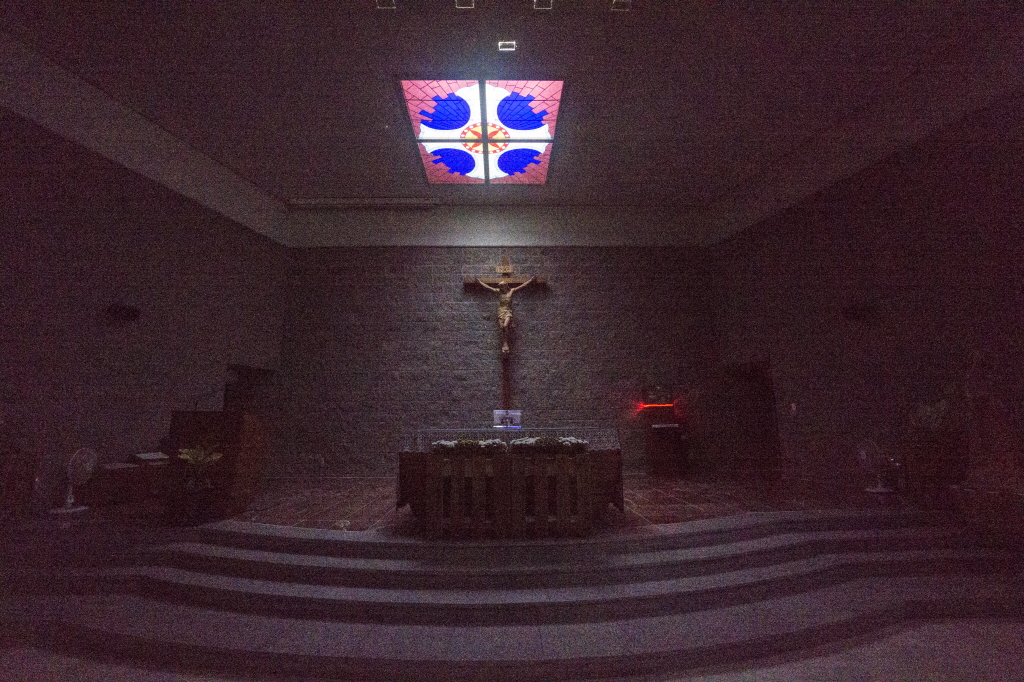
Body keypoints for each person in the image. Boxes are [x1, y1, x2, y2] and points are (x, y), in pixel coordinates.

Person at [476, 276, 535, 354]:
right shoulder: (499, 292)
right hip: (501, 311)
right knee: (502, 328)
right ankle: (505, 343)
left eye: (502, 286)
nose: (500, 288)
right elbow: (488, 287)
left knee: (505, 325)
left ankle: (505, 343)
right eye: (500, 287)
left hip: (508, 312)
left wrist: (530, 280)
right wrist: (480, 282)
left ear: (505, 286)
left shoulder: (511, 291)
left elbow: (522, 286)